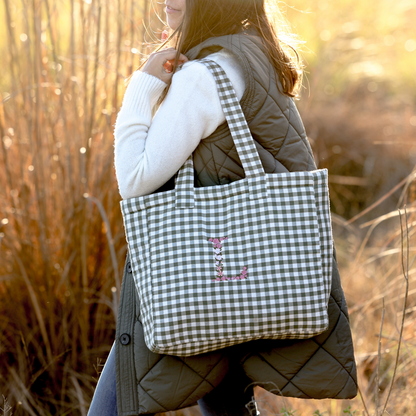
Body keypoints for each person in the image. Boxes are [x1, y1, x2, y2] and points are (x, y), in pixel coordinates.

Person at [88, 1, 357, 415]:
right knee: (225, 407)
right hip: (250, 273)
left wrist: (143, 85)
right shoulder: (253, 51)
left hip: (202, 278)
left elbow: (136, 179)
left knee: (110, 409)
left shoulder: (203, 76)